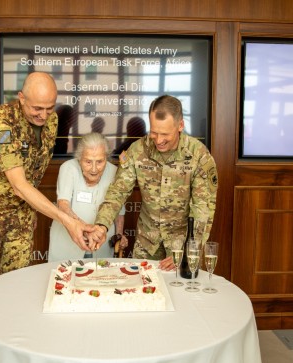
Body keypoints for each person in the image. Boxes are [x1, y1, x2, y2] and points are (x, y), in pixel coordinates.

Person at [0, 72, 94, 341]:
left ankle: (7, 344)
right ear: (20, 99)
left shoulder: (52, 121)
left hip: (21, 213)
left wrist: (72, 217)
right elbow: (19, 184)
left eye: (49, 107)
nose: (44, 115)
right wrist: (66, 220)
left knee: (15, 282)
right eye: (36, 108)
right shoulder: (1, 124)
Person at [88, 95, 218, 271]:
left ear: (180, 126)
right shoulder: (137, 151)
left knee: (182, 294)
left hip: (182, 246)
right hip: (146, 243)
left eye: (165, 134)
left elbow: (203, 209)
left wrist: (189, 250)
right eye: (154, 132)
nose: (158, 140)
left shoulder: (199, 156)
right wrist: (102, 225)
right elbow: (117, 193)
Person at [48, 132, 128, 262]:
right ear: (79, 158)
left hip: (100, 242)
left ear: (107, 158)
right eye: (88, 162)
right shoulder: (68, 168)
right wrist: (87, 230)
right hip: (67, 243)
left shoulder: (115, 172)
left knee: (98, 278)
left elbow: (119, 210)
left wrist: (118, 235)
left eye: (100, 161)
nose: (94, 169)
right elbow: (63, 205)